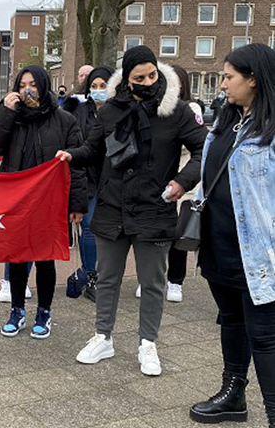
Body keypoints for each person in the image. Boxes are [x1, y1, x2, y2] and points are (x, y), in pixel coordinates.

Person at [57, 46, 208, 376]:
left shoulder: (177, 111)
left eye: (151, 75)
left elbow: (203, 149)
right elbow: (92, 149)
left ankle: (148, 344)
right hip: (113, 205)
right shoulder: (110, 110)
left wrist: (182, 182)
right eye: (138, 78)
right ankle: (103, 337)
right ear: (126, 79)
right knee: (107, 277)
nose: (147, 82)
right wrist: (71, 156)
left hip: (155, 206)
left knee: (153, 281)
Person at [188, 44, 275, 428]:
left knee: (266, 337)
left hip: (257, 251)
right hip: (218, 242)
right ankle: (233, 393)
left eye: (228, 77)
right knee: (230, 319)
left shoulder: (271, 128)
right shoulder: (225, 119)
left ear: (253, 79)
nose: (222, 84)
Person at [0, 65, 87, 340]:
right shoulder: (13, 118)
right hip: (16, 200)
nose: (27, 90)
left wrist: (77, 204)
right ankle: (17, 310)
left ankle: (44, 311)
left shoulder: (64, 120)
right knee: (17, 258)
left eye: (32, 84)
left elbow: (76, 164)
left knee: (44, 259)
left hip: (49, 202)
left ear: (43, 86)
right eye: (21, 85)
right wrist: (6, 112)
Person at [135, 65, 203, 303]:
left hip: (183, 180)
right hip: (158, 181)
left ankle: (176, 281)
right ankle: (150, 278)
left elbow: (193, 144)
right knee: (153, 234)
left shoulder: (188, 110)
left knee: (178, 235)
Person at [63, 66, 114, 302]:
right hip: (88, 178)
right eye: (94, 86)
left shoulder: (121, 111)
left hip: (114, 179)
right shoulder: (80, 112)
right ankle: (91, 274)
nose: (98, 91)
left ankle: (108, 275)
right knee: (89, 228)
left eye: (103, 85)